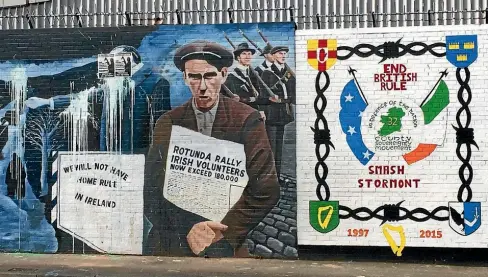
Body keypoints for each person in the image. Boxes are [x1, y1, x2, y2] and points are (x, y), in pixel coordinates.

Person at [144, 40, 280, 257]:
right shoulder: (168, 122)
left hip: (224, 237)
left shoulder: (246, 119)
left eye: (209, 76)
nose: (203, 86)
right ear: (185, 78)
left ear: (223, 75)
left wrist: (225, 233)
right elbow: (151, 189)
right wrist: (187, 230)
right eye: (195, 77)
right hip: (173, 237)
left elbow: (265, 189)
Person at [261, 45, 295, 178]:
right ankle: (269, 178)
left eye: (285, 54)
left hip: (283, 114)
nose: (283, 56)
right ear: (273, 56)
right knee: (271, 148)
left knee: (279, 149)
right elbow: (262, 96)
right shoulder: (267, 73)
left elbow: (294, 92)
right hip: (272, 114)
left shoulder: (287, 73)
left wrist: (286, 99)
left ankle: (277, 177)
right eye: (280, 54)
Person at [224, 42, 268, 114]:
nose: (247, 57)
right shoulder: (231, 76)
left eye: (249, 54)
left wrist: (261, 110)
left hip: (256, 112)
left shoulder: (255, 74)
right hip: (241, 113)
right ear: (238, 57)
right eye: (244, 54)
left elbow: (261, 95)